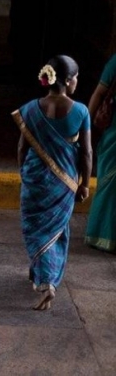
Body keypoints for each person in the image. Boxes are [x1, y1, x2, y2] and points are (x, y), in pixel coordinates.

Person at [13, 56, 91, 310]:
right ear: (67, 81)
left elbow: (22, 147)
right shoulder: (80, 111)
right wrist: (84, 184)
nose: (77, 81)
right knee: (56, 230)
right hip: (63, 182)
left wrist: (25, 174)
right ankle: (47, 280)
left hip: (35, 179)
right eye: (76, 77)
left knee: (36, 229)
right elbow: (86, 152)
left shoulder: (30, 109)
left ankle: (40, 274)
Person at [85, 53, 116, 252]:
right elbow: (99, 93)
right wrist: (85, 126)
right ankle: (100, 234)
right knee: (108, 185)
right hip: (113, 135)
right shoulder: (115, 62)